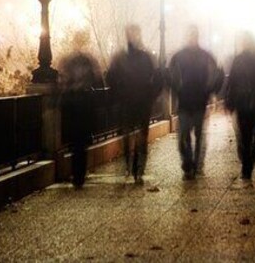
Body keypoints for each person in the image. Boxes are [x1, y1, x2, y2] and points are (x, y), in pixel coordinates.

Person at [106, 24, 161, 184]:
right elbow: (110, 77)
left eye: (134, 33)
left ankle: (137, 169)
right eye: (130, 33)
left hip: (141, 103)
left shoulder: (142, 57)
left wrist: (150, 96)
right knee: (129, 137)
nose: (132, 36)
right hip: (129, 103)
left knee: (140, 138)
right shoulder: (123, 57)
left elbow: (157, 79)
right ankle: (130, 166)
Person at [169, 25, 220, 180]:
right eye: (190, 35)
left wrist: (210, 91)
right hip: (185, 102)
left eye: (194, 35)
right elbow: (169, 74)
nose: (192, 37)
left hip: (199, 102)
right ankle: (188, 163)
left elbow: (217, 74)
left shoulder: (205, 56)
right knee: (184, 136)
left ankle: (195, 165)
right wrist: (177, 89)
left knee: (199, 136)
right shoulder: (179, 56)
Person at [224, 31, 255, 182]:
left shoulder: (239, 60)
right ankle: (250, 159)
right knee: (253, 133)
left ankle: (247, 166)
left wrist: (229, 102)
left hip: (244, 103)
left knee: (244, 135)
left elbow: (231, 82)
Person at [58, 31, 102, 188]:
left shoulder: (67, 61)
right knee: (82, 143)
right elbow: (98, 80)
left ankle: (76, 174)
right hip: (84, 105)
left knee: (75, 142)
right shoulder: (89, 60)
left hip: (71, 105)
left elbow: (62, 81)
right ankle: (79, 175)